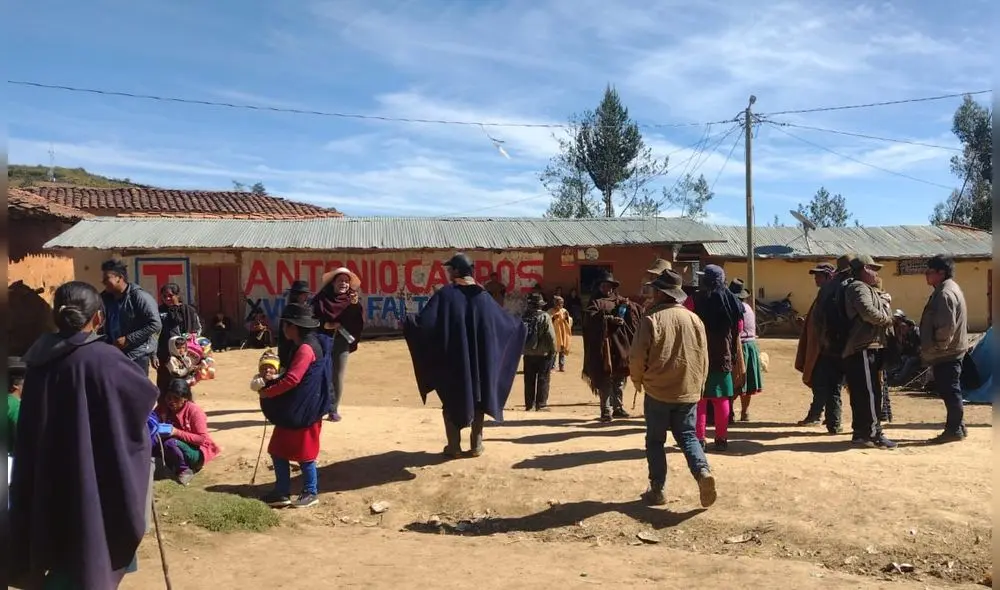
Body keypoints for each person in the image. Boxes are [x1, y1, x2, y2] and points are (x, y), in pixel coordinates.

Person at [10, 281, 160, 590]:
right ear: (98, 319)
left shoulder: (37, 361)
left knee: (57, 540)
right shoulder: (105, 359)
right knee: (92, 538)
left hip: (49, 472)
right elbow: (144, 396)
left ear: (56, 317)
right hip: (94, 470)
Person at [403, 253, 525, 458]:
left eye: (450, 269)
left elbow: (426, 325)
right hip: (480, 362)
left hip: (454, 361)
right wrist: (521, 327)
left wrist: (409, 322)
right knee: (478, 399)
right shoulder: (484, 297)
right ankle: (476, 445)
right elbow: (504, 324)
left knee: (451, 399)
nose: (448, 273)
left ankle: (454, 447)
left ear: (458, 271)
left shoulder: (446, 295)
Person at [629, 270, 717, 508]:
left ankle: (657, 490)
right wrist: (699, 385)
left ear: (660, 293)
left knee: (655, 440)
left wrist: (637, 381)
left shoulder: (651, 319)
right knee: (688, 436)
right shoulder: (694, 319)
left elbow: (637, 356)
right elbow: (704, 357)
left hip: (658, 390)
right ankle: (702, 472)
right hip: (688, 390)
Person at [258, 304, 333, 509]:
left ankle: (311, 492)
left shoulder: (306, 348)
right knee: (278, 449)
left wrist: (268, 391)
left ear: (293, 327)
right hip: (300, 406)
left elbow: (293, 379)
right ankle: (281, 492)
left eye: (286, 325)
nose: (284, 329)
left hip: (303, 409)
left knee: (306, 454)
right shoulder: (306, 344)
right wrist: (276, 377)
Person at [841, 255, 896, 449]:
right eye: (874, 269)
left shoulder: (862, 288)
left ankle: (861, 433)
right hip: (864, 347)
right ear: (865, 269)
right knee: (870, 393)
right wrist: (888, 320)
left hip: (863, 348)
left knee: (862, 392)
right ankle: (874, 433)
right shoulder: (858, 287)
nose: (876, 273)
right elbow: (867, 312)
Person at [692, 265, 744, 452]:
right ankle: (721, 439)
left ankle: (699, 439)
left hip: (699, 355)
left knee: (700, 399)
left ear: (706, 280)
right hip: (724, 355)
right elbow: (739, 327)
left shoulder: (696, 299)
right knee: (721, 398)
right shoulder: (733, 300)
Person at [918, 254, 969, 444]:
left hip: (947, 352)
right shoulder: (946, 289)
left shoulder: (945, 293)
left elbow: (946, 326)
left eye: (930, 271)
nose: (926, 275)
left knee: (950, 390)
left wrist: (938, 347)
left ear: (941, 273)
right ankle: (959, 426)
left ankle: (954, 429)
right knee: (950, 389)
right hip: (950, 350)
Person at [800, 257, 853, 433]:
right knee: (828, 385)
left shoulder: (835, 292)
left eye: (820, 276)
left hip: (830, 348)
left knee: (827, 385)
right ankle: (830, 421)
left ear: (830, 276)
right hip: (828, 347)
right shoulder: (830, 292)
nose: (817, 279)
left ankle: (825, 418)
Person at [582, 272, 641, 422]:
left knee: (620, 378)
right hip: (604, 346)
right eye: (604, 286)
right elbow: (590, 317)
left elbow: (635, 312)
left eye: (609, 286)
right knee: (605, 378)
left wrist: (628, 307)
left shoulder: (620, 301)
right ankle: (606, 410)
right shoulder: (595, 302)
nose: (607, 289)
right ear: (600, 287)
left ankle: (618, 408)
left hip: (620, 345)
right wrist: (608, 319)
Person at [312, 267, 364, 422]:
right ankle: (319, 406)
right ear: (333, 283)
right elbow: (311, 317)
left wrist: (355, 306)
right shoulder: (321, 299)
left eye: (347, 281)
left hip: (342, 340)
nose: (344, 284)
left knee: (337, 374)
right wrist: (324, 325)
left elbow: (358, 322)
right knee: (321, 372)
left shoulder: (352, 300)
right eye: (340, 280)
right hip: (322, 339)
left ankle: (333, 409)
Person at [99, 259, 162, 373]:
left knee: (137, 390)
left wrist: (128, 339)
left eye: (107, 278)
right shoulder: (104, 298)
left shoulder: (139, 297)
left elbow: (155, 324)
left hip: (136, 356)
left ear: (120, 278)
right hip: (113, 354)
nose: (103, 281)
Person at [155, 378, 219, 485]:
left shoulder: (194, 411)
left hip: (195, 451)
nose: (171, 401)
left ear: (184, 398)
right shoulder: (163, 408)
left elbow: (202, 439)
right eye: (169, 397)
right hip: (173, 447)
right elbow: (151, 420)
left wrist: (176, 432)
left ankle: (184, 471)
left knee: (170, 443)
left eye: (176, 398)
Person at [154, 282, 202, 394]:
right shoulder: (158, 312)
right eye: (164, 296)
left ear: (177, 295)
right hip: (164, 355)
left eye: (170, 296)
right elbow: (154, 333)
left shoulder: (189, 311)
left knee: (183, 386)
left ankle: (184, 409)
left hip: (185, 356)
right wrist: (153, 354)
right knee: (164, 385)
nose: (167, 298)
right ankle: (164, 410)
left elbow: (198, 329)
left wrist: (189, 339)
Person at [730, 279, 763, 422]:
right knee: (747, 383)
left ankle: (729, 412)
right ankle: (745, 412)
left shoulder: (735, 308)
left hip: (740, 347)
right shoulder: (748, 307)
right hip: (751, 346)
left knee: (734, 382)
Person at [522, 292, 557, 411]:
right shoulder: (545, 317)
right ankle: (541, 404)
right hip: (543, 354)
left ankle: (529, 404)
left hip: (527, 353)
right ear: (541, 305)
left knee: (529, 379)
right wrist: (554, 350)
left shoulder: (524, 316)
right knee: (543, 378)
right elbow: (551, 336)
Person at [278, 280, 311, 367]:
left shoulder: (305, 309)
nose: (306, 298)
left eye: (307, 295)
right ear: (296, 295)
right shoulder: (290, 310)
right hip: (289, 348)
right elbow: (286, 336)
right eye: (304, 295)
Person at [886, 311, 923, 387]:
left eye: (904, 327)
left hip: (917, 355)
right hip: (910, 354)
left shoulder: (916, 333)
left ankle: (899, 378)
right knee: (902, 359)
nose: (902, 329)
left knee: (909, 361)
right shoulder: (906, 334)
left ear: (910, 326)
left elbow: (920, 347)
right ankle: (890, 374)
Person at [548, 295, 573, 372]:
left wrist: (567, 318)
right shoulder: (550, 311)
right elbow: (547, 321)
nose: (560, 305)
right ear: (555, 303)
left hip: (562, 334)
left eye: (562, 304)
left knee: (562, 350)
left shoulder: (564, 311)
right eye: (558, 304)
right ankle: (552, 366)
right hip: (555, 334)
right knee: (554, 350)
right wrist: (553, 318)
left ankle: (561, 366)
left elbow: (570, 321)